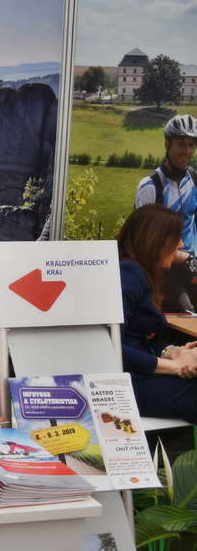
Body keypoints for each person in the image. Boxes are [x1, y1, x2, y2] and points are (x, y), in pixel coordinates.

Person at [117, 204, 197, 424]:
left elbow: (134, 340)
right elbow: (110, 346)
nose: (181, 245)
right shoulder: (129, 274)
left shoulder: (133, 271)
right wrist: (175, 366)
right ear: (157, 241)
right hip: (123, 385)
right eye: (177, 238)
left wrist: (172, 351)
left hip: (134, 376)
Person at [135, 114, 197, 311]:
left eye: (191, 145)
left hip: (194, 268)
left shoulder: (195, 179)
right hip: (164, 273)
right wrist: (180, 256)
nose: (186, 151)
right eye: (181, 143)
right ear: (167, 144)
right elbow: (142, 243)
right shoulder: (151, 186)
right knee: (188, 316)